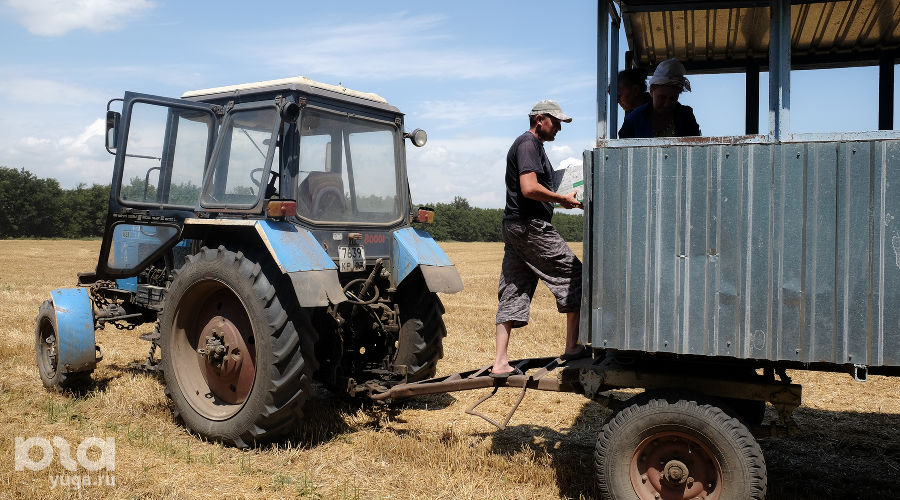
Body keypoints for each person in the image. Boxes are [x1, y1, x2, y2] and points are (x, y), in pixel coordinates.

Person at [491, 100, 587, 378]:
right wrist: (561, 199)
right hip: (530, 225)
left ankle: (500, 363)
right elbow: (529, 188)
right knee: (575, 274)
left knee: (513, 287)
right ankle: (572, 346)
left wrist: (563, 196)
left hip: (515, 226)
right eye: (556, 123)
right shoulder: (528, 144)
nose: (559, 129)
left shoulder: (534, 146)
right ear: (540, 119)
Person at [618, 58, 701, 138]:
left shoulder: (685, 116)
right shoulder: (633, 119)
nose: (667, 103)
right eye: (662, 97)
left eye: (673, 98)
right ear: (651, 90)